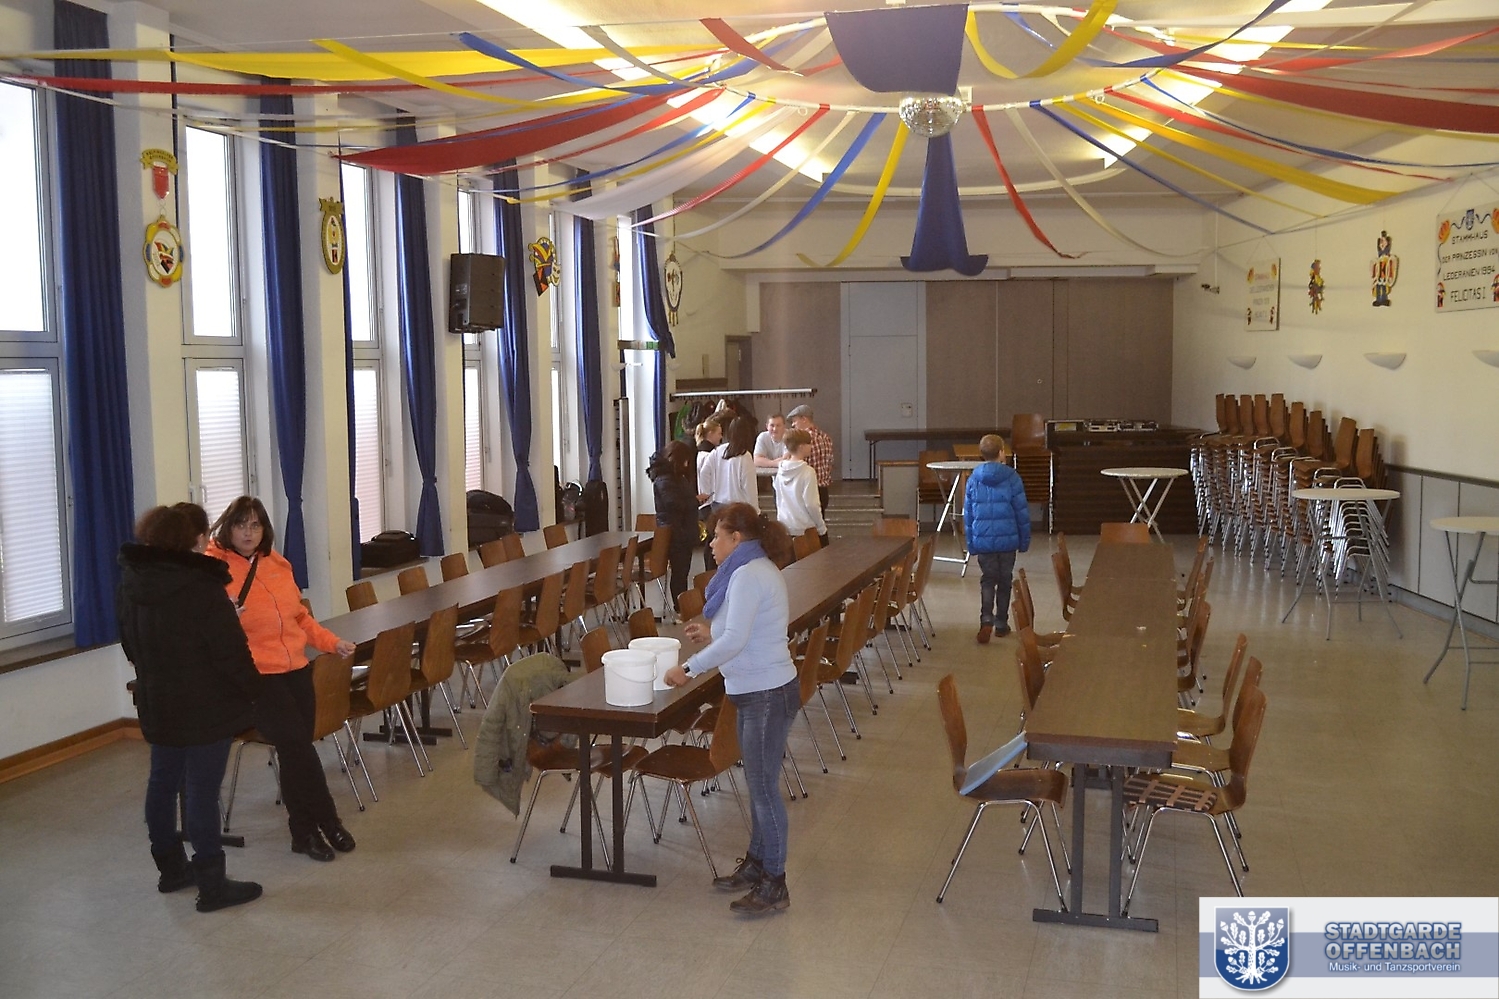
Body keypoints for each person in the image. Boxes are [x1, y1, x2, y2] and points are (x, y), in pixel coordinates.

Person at [117, 503, 264, 913]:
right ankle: (212, 885)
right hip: (206, 705)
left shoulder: (132, 581)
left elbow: (129, 643)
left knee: (162, 783)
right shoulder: (202, 586)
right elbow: (229, 652)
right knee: (201, 791)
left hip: (157, 699)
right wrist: (254, 690)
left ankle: (171, 869)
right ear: (195, 540)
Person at [207, 496, 359, 862]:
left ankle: (302, 832)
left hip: (295, 669)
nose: (248, 532)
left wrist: (331, 642)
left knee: (295, 752)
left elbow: (299, 618)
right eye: (240, 525)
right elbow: (208, 629)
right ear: (227, 528)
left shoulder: (277, 563)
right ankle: (328, 821)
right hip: (258, 677)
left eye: (255, 525)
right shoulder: (213, 570)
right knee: (298, 749)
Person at [664, 503, 797, 915]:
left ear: (735, 538)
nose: (711, 545)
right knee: (759, 785)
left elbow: (737, 640)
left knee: (763, 790)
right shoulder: (752, 569)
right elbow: (742, 629)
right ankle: (758, 863)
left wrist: (688, 667)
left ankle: (775, 882)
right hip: (759, 690)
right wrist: (712, 633)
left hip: (765, 693)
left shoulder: (748, 575)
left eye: (716, 536)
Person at [963, 434, 1031, 644]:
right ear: (1002, 452)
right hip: (1007, 540)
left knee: (987, 580)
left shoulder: (973, 478)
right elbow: (1021, 512)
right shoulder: (1012, 477)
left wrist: (971, 544)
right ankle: (1001, 623)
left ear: (981, 454)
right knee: (1004, 580)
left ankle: (986, 620)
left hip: (983, 540)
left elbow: (968, 515)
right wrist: (1024, 540)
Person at [702, 417, 758, 570]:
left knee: (716, 546)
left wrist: (708, 492)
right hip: (737, 510)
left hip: (718, 506)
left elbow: (704, 471)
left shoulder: (718, 451)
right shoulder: (745, 456)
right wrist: (755, 512)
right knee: (734, 551)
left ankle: (710, 576)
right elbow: (749, 487)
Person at [649, 440, 699, 611]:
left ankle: (682, 606)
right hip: (676, 532)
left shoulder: (676, 477)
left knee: (683, 571)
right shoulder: (664, 478)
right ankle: (679, 608)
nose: (687, 464)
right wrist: (694, 501)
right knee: (679, 573)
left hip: (683, 530)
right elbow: (672, 503)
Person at [773, 428, 826, 545]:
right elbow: (811, 504)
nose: (811, 446)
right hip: (805, 529)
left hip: (785, 526)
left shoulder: (780, 471)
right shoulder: (808, 472)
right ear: (801, 447)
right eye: (809, 443)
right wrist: (821, 526)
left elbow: (778, 498)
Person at [786, 405, 833, 528]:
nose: (793, 425)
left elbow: (793, 463)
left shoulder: (802, 441)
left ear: (804, 419)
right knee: (819, 524)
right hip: (823, 490)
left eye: (795, 421)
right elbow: (830, 464)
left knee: (807, 529)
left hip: (807, 490)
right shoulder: (826, 437)